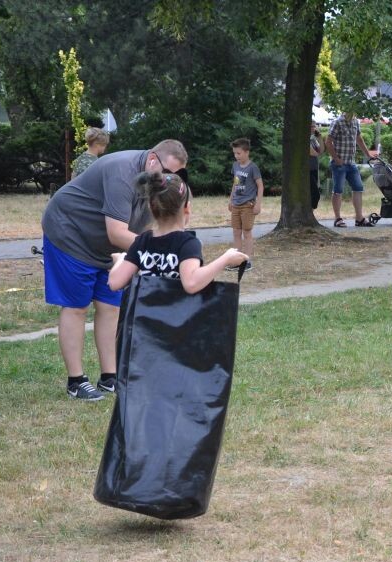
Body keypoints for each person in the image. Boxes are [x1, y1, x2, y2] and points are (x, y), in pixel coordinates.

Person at [41, 138, 188, 401]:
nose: (169, 180)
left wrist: (163, 243)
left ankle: (110, 376)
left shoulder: (155, 181)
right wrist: (162, 250)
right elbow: (117, 232)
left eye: (176, 175)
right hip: (70, 232)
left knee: (110, 306)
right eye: (167, 172)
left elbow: (145, 228)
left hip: (104, 247)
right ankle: (76, 381)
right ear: (153, 160)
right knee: (77, 306)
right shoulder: (122, 172)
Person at [109, 172, 248, 293]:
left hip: (144, 321)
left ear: (151, 207)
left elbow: (114, 283)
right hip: (178, 321)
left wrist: (121, 260)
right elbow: (191, 283)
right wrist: (225, 259)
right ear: (187, 208)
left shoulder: (142, 241)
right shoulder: (187, 243)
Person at [324, 111, 378, 227]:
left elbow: (359, 139)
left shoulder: (355, 121)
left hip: (351, 163)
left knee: (358, 188)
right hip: (339, 163)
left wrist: (368, 154)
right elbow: (328, 142)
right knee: (338, 190)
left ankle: (359, 218)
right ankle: (338, 219)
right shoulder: (337, 122)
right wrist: (336, 159)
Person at [227, 137, 263, 259]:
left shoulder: (253, 167)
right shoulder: (235, 166)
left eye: (239, 153)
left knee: (246, 232)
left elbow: (260, 186)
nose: (236, 156)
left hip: (248, 205)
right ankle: (237, 259)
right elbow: (235, 183)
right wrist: (231, 199)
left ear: (247, 152)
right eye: (234, 153)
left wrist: (258, 204)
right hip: (236, 204)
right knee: (236, 232)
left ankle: (247, 259)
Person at [309, 124, 324, 210]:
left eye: (314, 126)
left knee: (313, 194)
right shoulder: (305, 139)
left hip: (314, 169)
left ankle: (310, 214)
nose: (313, 128)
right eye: (311, 126)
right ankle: (309, 212)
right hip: (307, 170)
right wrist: (318, 153)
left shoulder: (313, 139)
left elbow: (321, 150)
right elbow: (314, 153)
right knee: (315, 194)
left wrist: (320, 138)